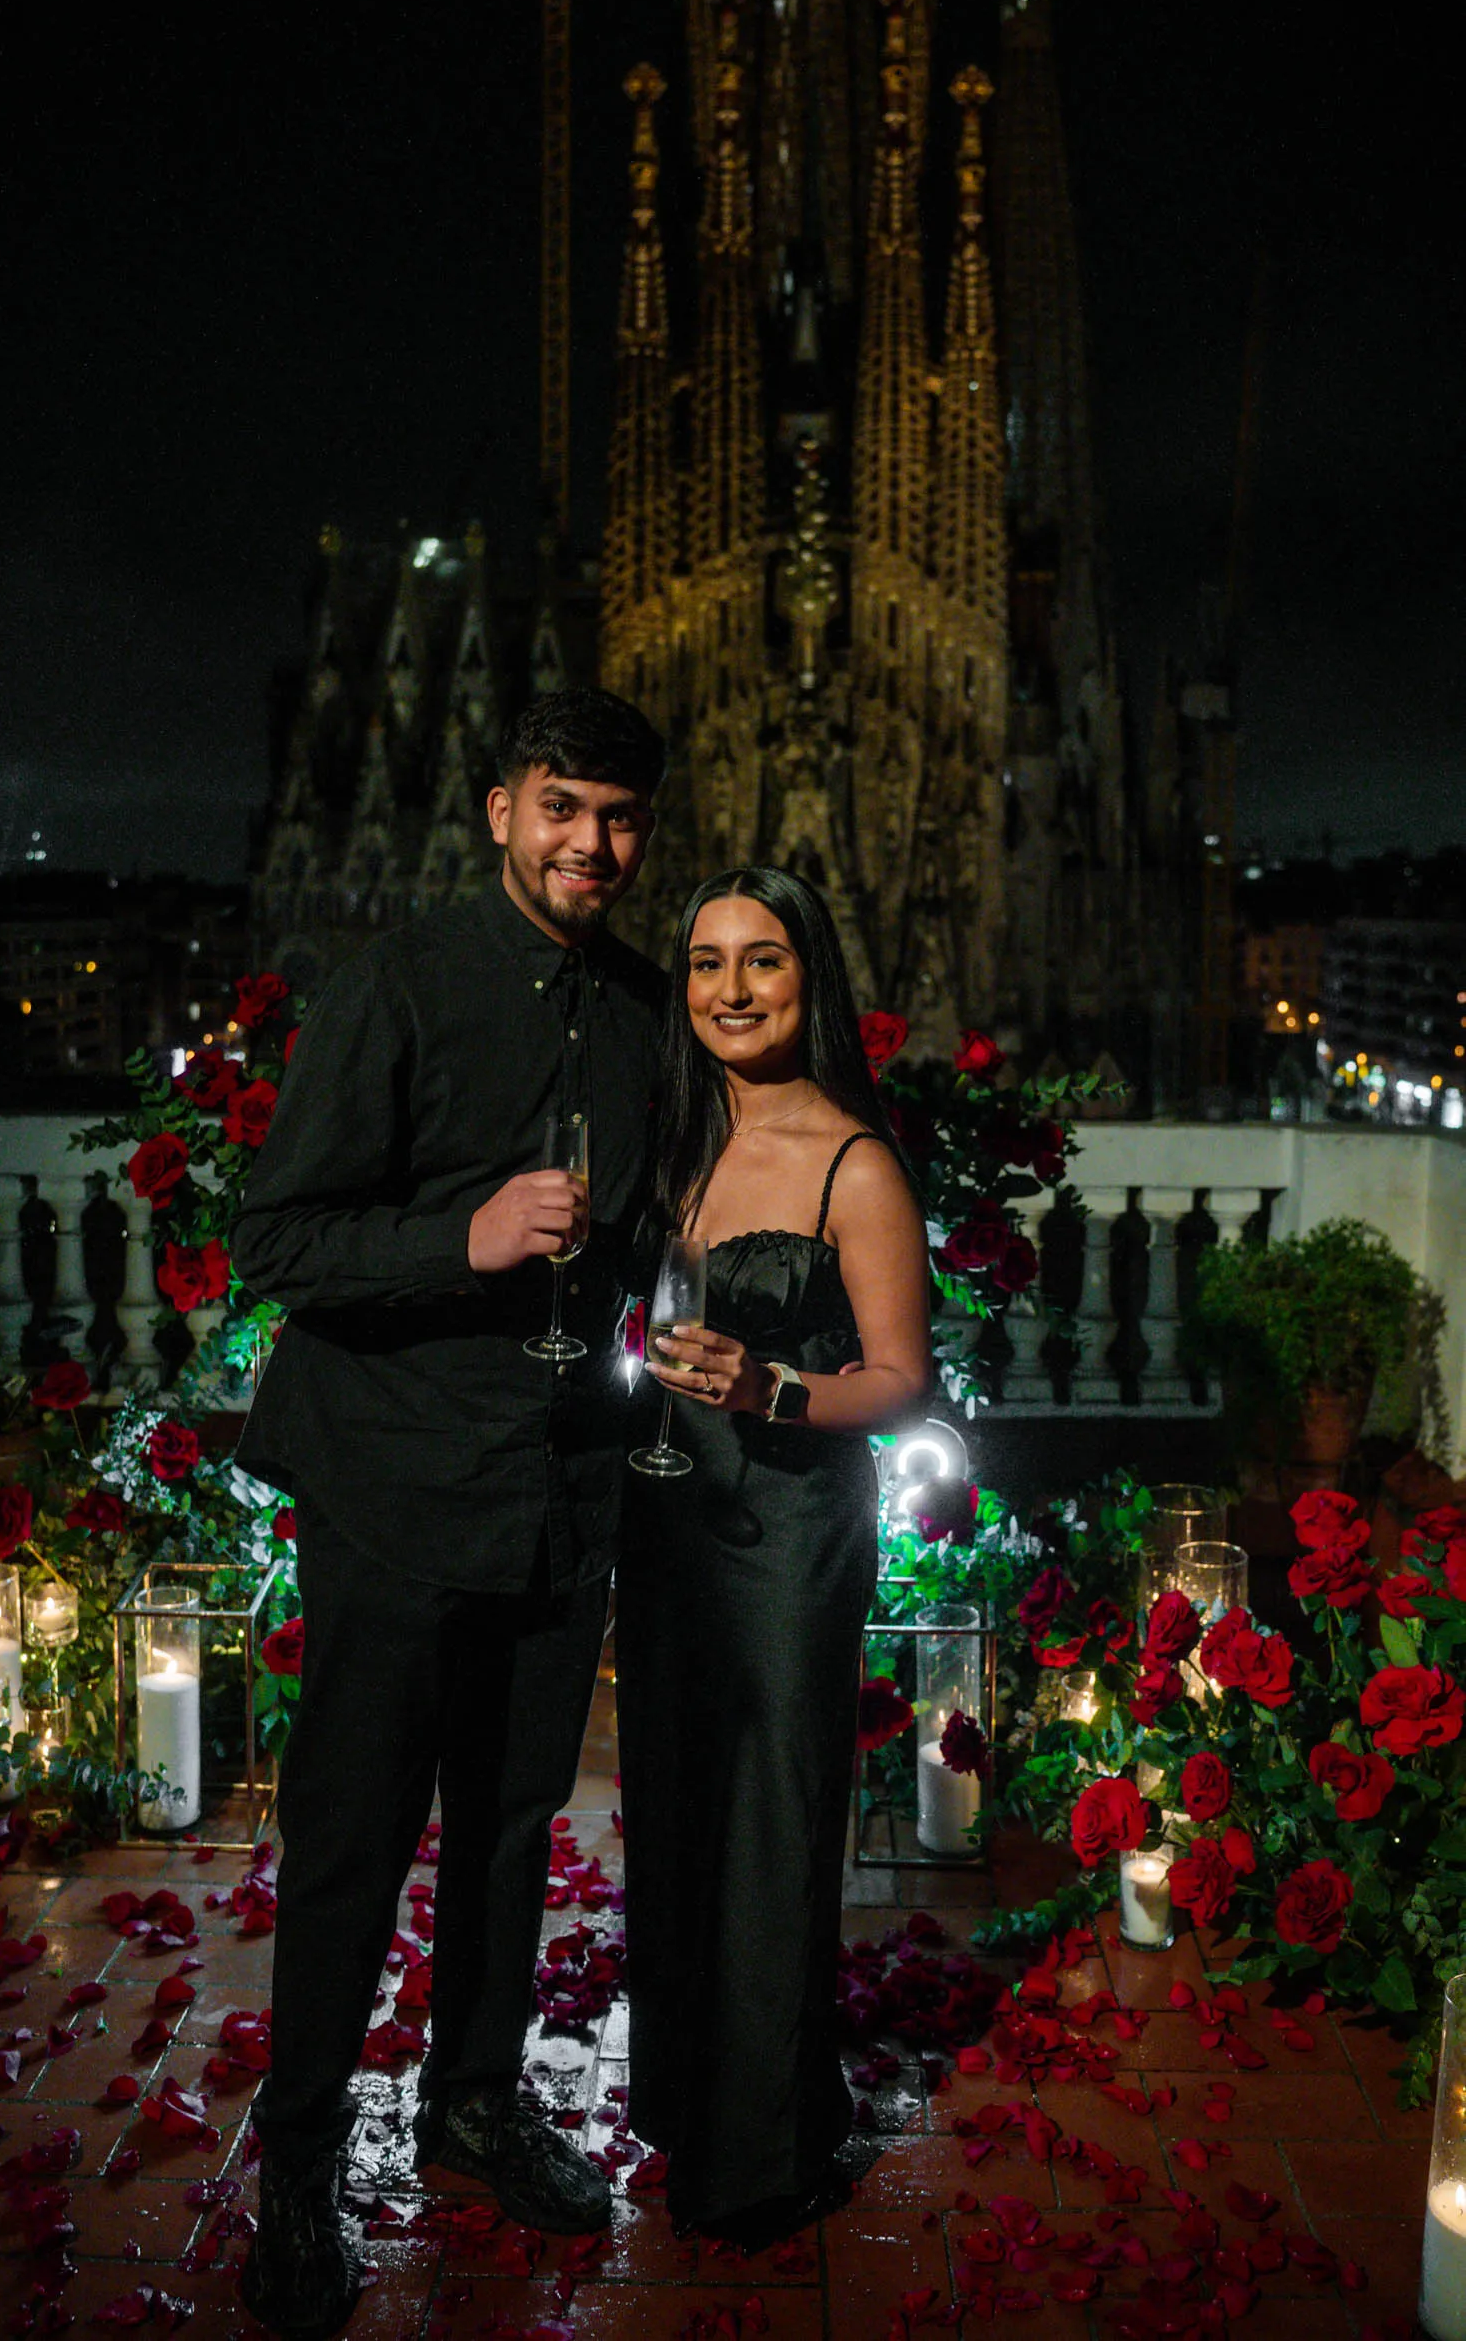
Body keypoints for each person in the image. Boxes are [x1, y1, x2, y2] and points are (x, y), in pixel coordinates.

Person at [229, 689, 667, 2341]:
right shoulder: (395, 982)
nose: (589, 845)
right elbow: (276, 1241)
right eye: (562, 807)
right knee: (351, 1837)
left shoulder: (638, 1009)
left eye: (618, 818)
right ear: (499, 810)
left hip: (561, 1474)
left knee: (506, 1820)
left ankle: (474, 2105)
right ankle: (299, 2166)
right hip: (397, 1479)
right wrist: (460, 1238)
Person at [614, 865, 931, 2249]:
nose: (730, 990)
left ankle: (760, 2148)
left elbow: (901, 1382)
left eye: (762, 962)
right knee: (680, 1809)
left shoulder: (854, 1162)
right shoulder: (676, 1141)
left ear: (812, 981)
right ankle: (691, 2099)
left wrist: (774, 1392)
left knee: (768, 1826)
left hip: (790, 1536)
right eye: (703, 964)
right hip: (675, 1520)